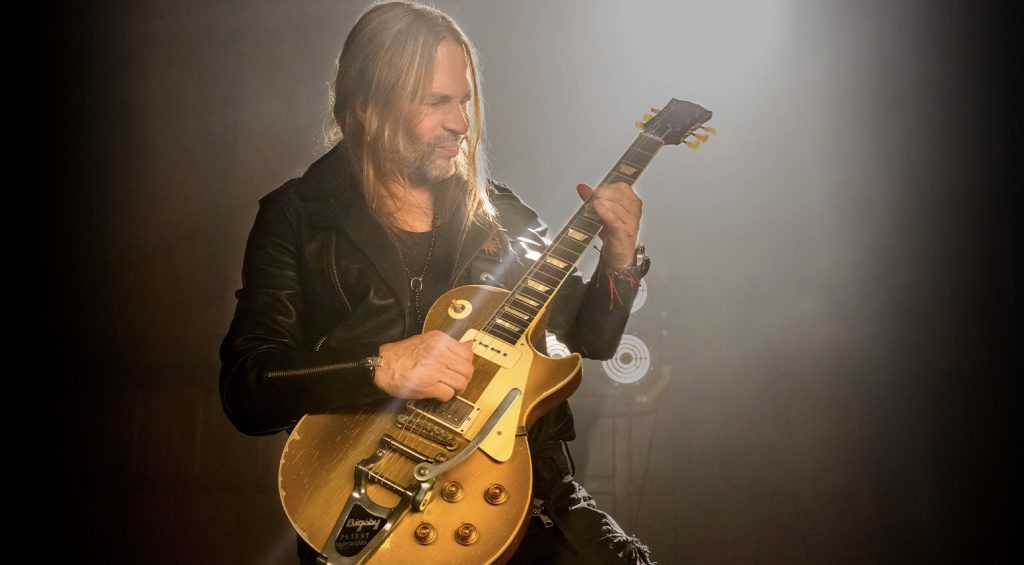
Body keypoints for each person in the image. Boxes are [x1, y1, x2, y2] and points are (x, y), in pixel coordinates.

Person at [218, 2, 654, 563]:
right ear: (366, 107)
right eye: (436, 102)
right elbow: (247, 389)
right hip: (374, 500)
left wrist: (619, 257)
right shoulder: (297, 217)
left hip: (527, 497)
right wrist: (377, 367)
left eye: (464, 101)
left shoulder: (502, 214)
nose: (460, 123)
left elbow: (589, 338)